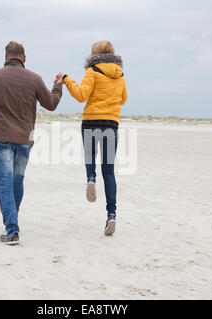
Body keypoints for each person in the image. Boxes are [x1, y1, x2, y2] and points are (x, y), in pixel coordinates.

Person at [0, 41, 63, 245]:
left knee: (5, 183)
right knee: (16, 181)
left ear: (6, 57)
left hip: (2, 137)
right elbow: (51, 104)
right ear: (23, 58)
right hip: (24, 139)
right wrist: (58, 86)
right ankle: (12, 220)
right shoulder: (34, 78)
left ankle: (12, 230)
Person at [58, 40, 128, 235]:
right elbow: (123, 99)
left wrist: (66, 79)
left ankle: (90, 178)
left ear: (94, 53)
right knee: (109, 171)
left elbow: (81, 95)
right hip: (111, 125)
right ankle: (111, 215)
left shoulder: (93, 71)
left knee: (90, 157)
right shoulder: (120, 74)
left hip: (91, 122)